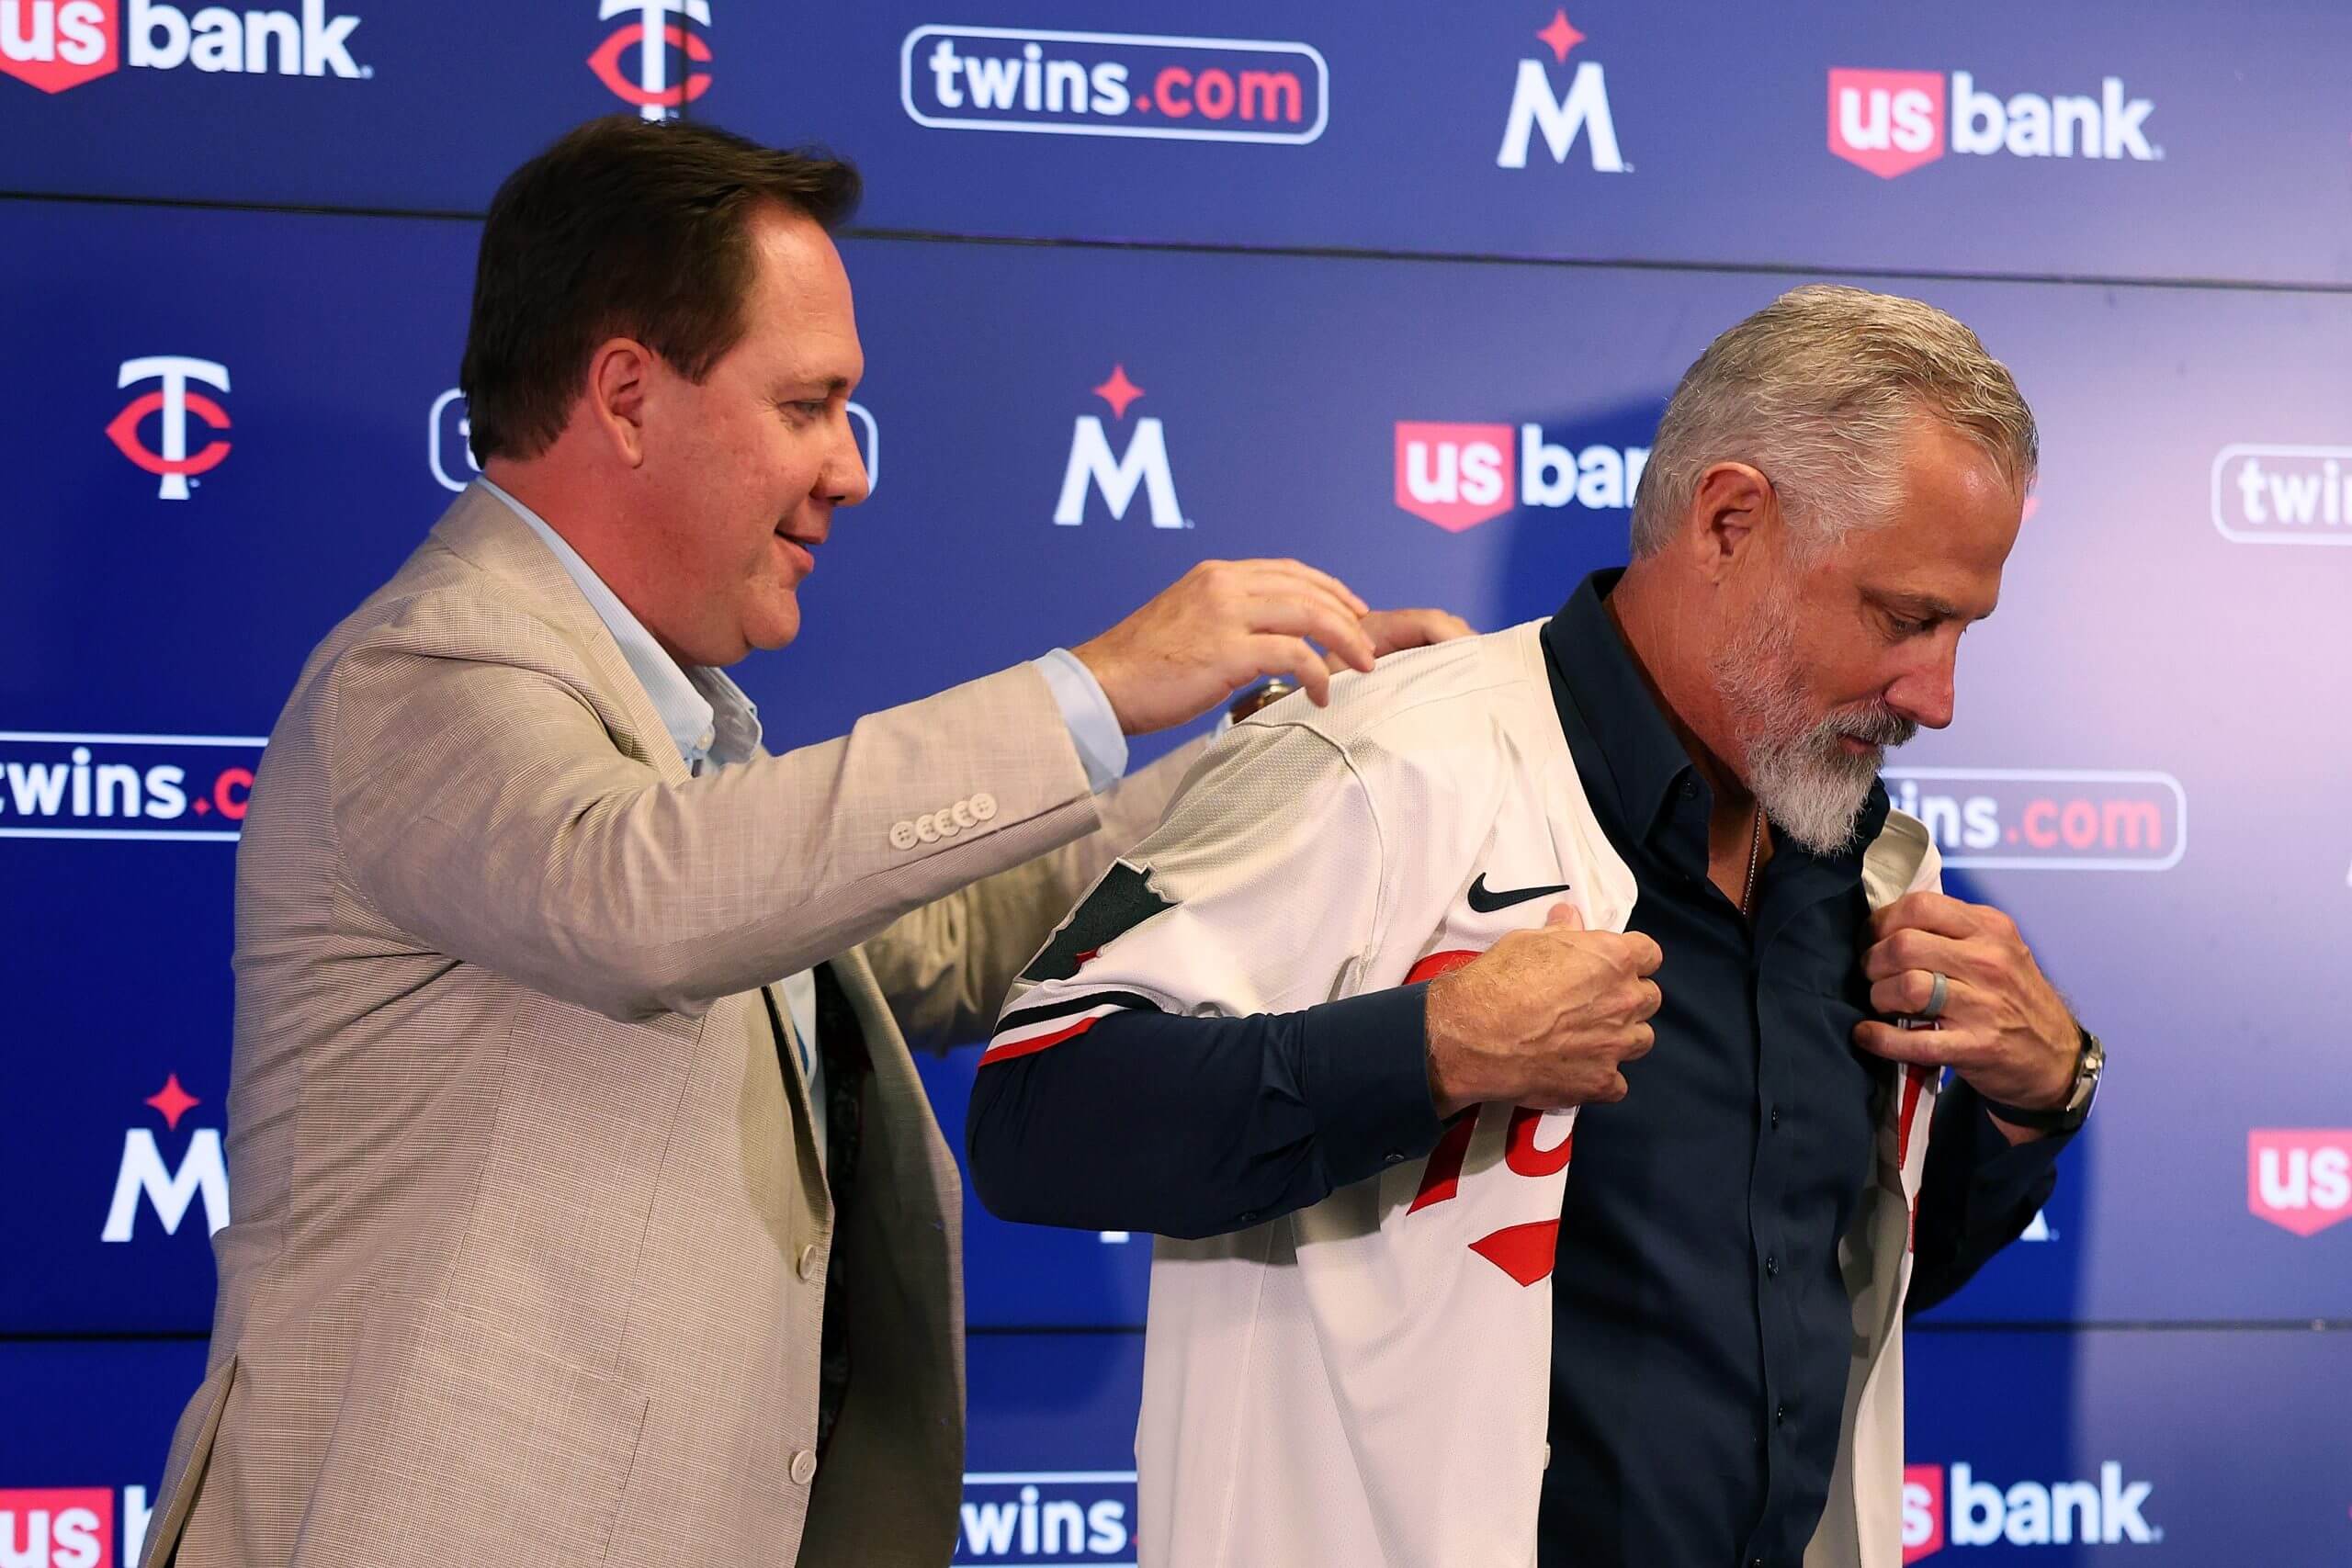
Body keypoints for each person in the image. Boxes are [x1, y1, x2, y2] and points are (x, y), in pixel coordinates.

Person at [137, 116, 1467, 1568]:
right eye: (808, 404)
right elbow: (634, 895)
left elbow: (946, 940)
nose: (852, 467)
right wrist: (1090, 688)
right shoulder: (426, 673)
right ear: (630, 395)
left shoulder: (691, 736)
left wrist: (1280, 756)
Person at [968, 285, 2103, 1568]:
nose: (1939, 696)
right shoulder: (1380, 764)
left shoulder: (1877, 872)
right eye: (1906, 618)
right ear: (1730, 520)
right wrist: (1435, 1046)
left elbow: (1790, 1295)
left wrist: (2034, 1103)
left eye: (1965, 629)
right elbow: (1033, 1121)